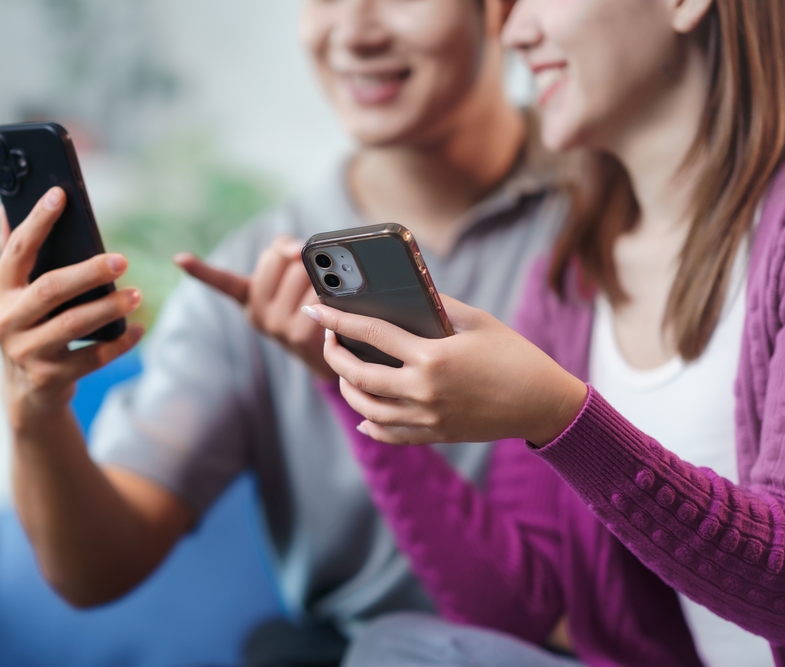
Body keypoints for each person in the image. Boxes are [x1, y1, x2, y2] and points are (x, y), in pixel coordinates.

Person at [0, 0, 569, 663]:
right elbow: (94, 570)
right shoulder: (254, 272)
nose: (355, 32)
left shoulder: (617, 211)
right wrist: (34, 406)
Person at [304, 0, 785, 664]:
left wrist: (563, 417)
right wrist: (353, 379)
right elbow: (518, 606)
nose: (515, 30)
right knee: (390, 648)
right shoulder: (569, 281)